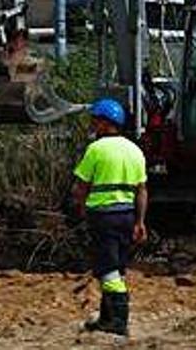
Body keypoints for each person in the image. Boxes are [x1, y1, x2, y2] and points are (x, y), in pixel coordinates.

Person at [73, 98, 148, 336]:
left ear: (106, 123)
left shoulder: (96, 149)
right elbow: (142, 190)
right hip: (127, 216)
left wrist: (82, 209)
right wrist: (140, 221)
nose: (93, 125)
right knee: (116, 267)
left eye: (96, 120)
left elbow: (81, 186)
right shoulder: (135, 150)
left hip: (103, 217)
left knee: (107, 268)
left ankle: (118, 321)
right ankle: (107, 318)